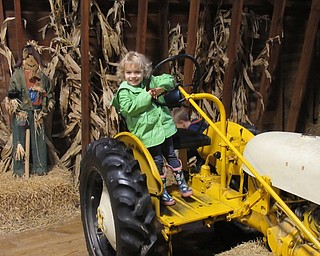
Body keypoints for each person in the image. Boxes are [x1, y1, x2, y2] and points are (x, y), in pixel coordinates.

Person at [111, 51, 193, 206]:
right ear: (123, 74)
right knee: (157, 162)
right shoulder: (124, 91)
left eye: (137, 72)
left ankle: (182, 184)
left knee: (171, 155)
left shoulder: (151, 81)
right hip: (147, 133)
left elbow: (169, 80)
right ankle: (162, 191)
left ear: (144, 72)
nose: (133, 76)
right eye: (129, 73)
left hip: (164, 129)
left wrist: (161, 88)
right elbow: (130, 108)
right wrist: (148, 95)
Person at [5, 44, 55, 176]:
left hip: (37, 115)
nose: (31, 61)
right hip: (22, 114)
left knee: (39, 140)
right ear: (23, 59)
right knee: (19, 140)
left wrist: (49, 103)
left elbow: (49, 93)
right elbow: (12, 93)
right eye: (28, 57)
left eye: (33, 57)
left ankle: (40, 168)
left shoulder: (42, 77)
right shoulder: (18, 75)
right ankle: (19, 170)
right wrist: (14, 104)